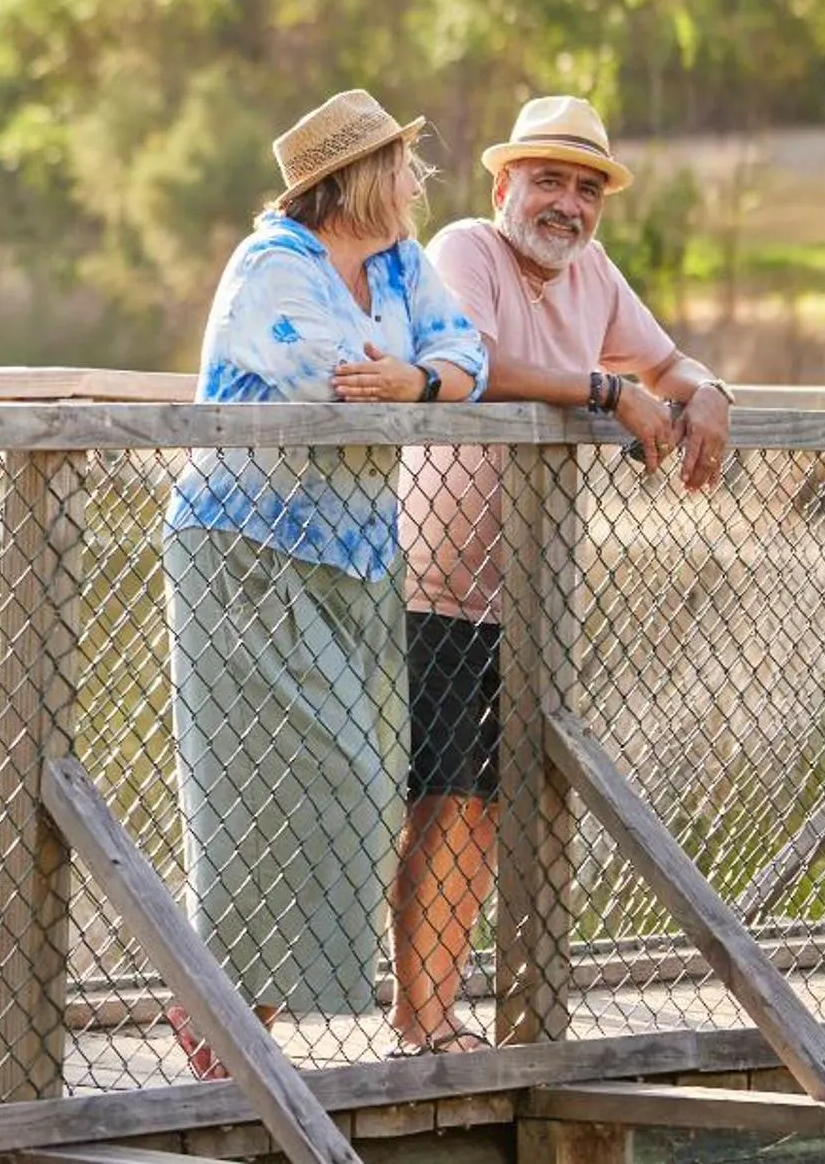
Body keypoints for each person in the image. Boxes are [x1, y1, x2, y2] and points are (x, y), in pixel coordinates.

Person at [389, 94, 735, 1056]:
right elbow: (471, 362)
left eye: (587, 189)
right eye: (549, 181)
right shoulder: (467, 248)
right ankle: (372, 1023)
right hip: (422, 578)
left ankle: (428, 1018)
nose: (568, 205)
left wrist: (708, 391)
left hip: (522, 596)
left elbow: (670, 362)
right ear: (505, 185)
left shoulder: (593, 275)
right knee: (416, 796)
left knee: (483, 806)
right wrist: (605, 390)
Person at [164, 89, 488, 1078]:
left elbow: (465, 352)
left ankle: (230, 1011)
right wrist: (407, 373)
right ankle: (216, 1006)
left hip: (355, 557)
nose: (414, 182)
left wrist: (423, 381)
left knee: (360, 779)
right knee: (281, 776)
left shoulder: (399, 263)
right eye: (398, 165)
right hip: (243, 550)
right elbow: (329, 380)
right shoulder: (271, 264)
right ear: (348, 180)